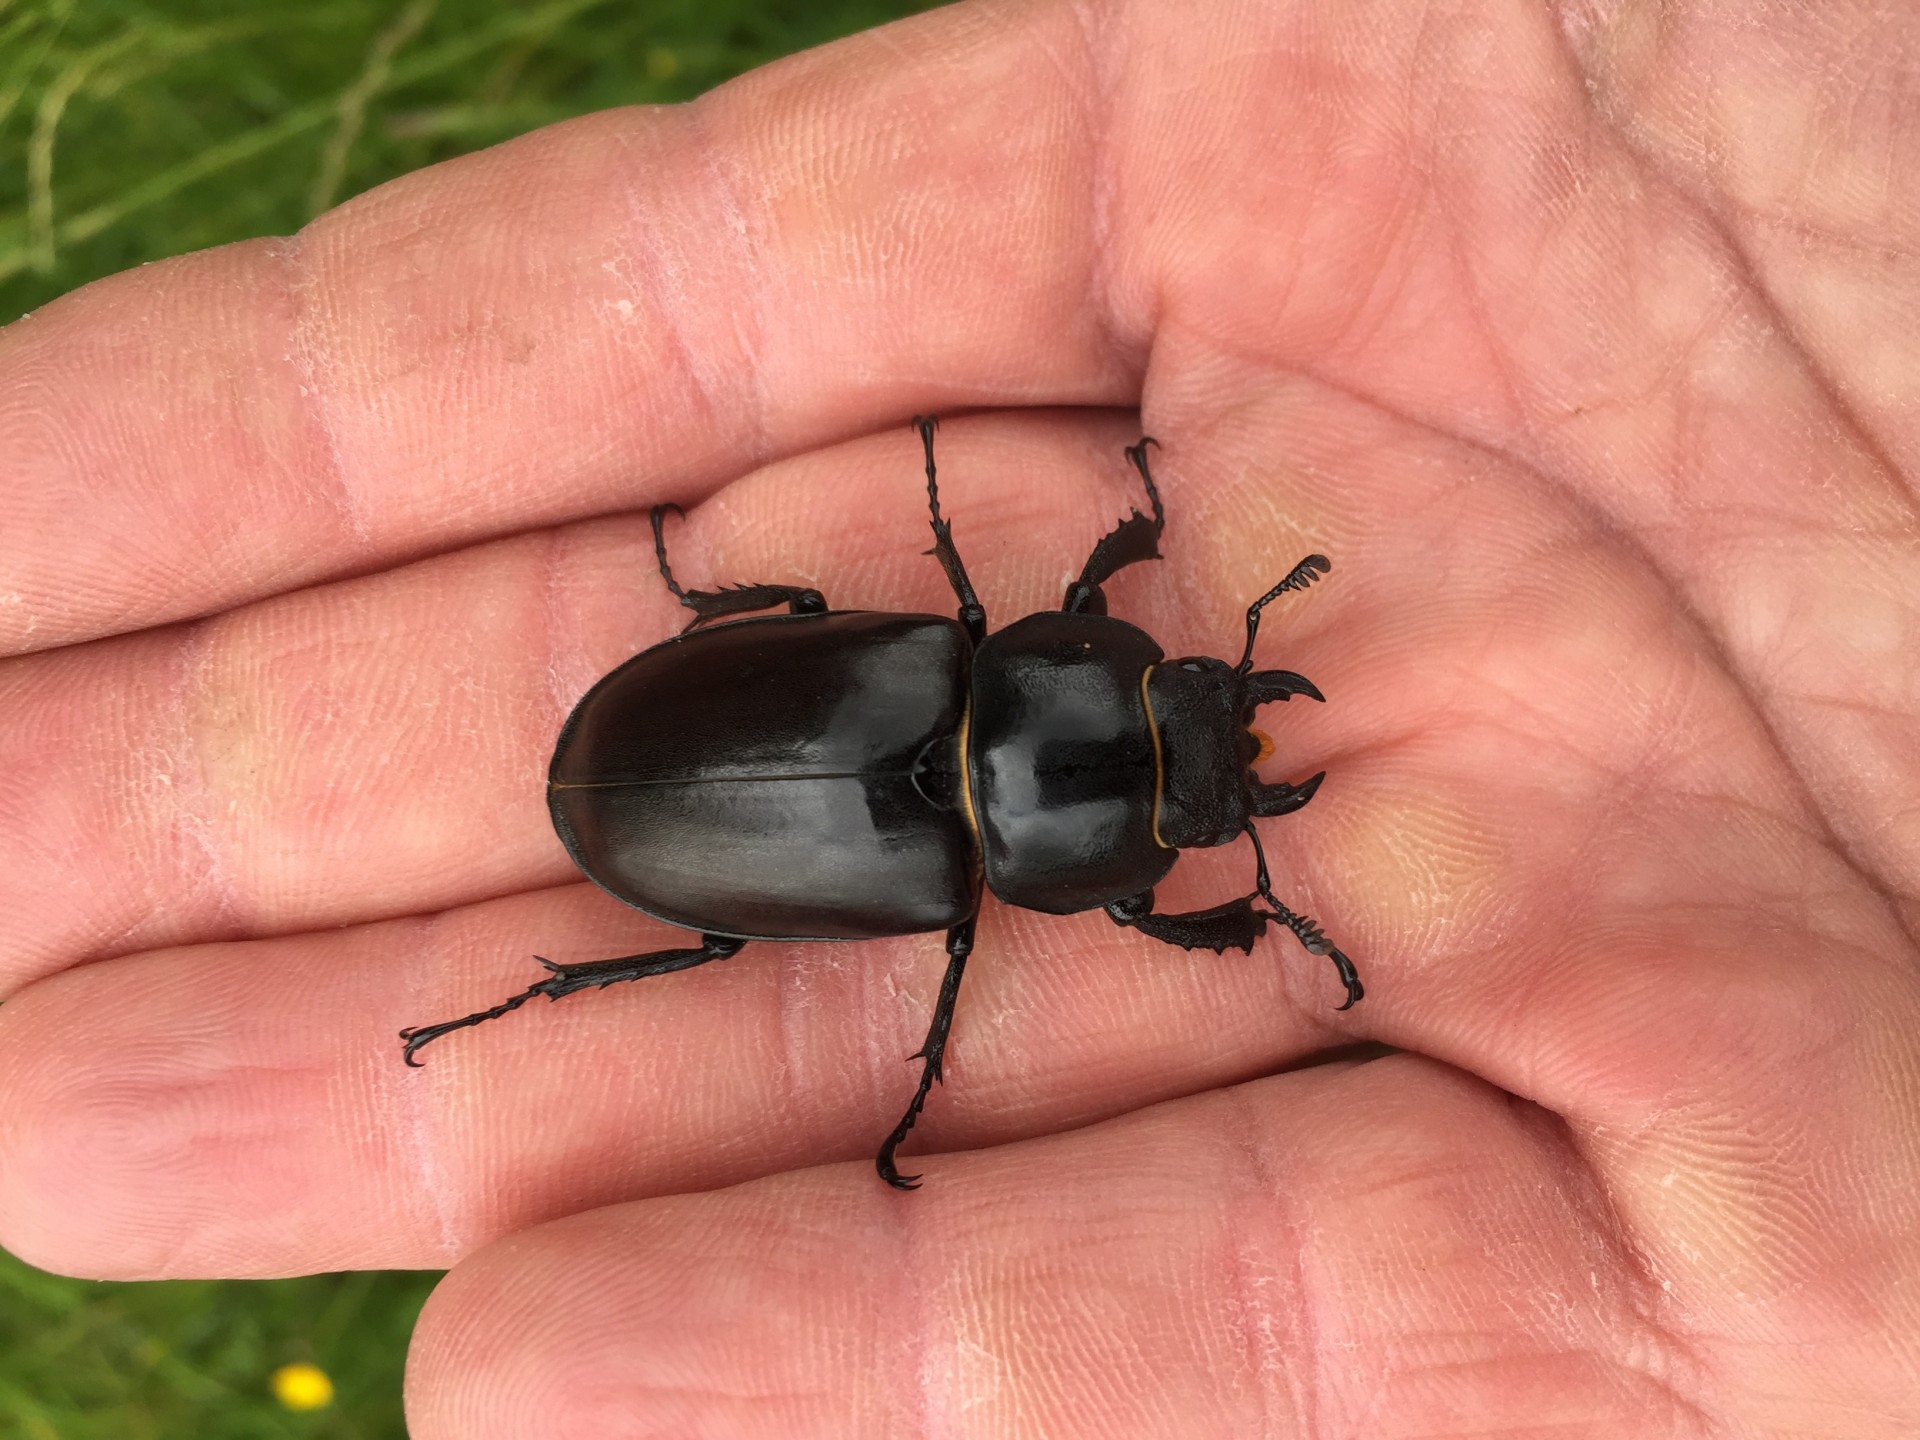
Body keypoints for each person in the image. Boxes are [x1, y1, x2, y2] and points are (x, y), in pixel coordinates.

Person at [2, 1, 1916, 1433]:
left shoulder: (974, 650)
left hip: (703, 757)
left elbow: (1092, 603)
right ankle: (554, 972)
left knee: (749, 899)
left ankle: (556, 971)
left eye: (1181, 709)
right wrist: (1241, 916)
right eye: (1194, 696)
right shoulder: (983, 732)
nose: (1204, 711)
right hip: (689, 783)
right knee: (740, 927)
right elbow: (1114, 741)